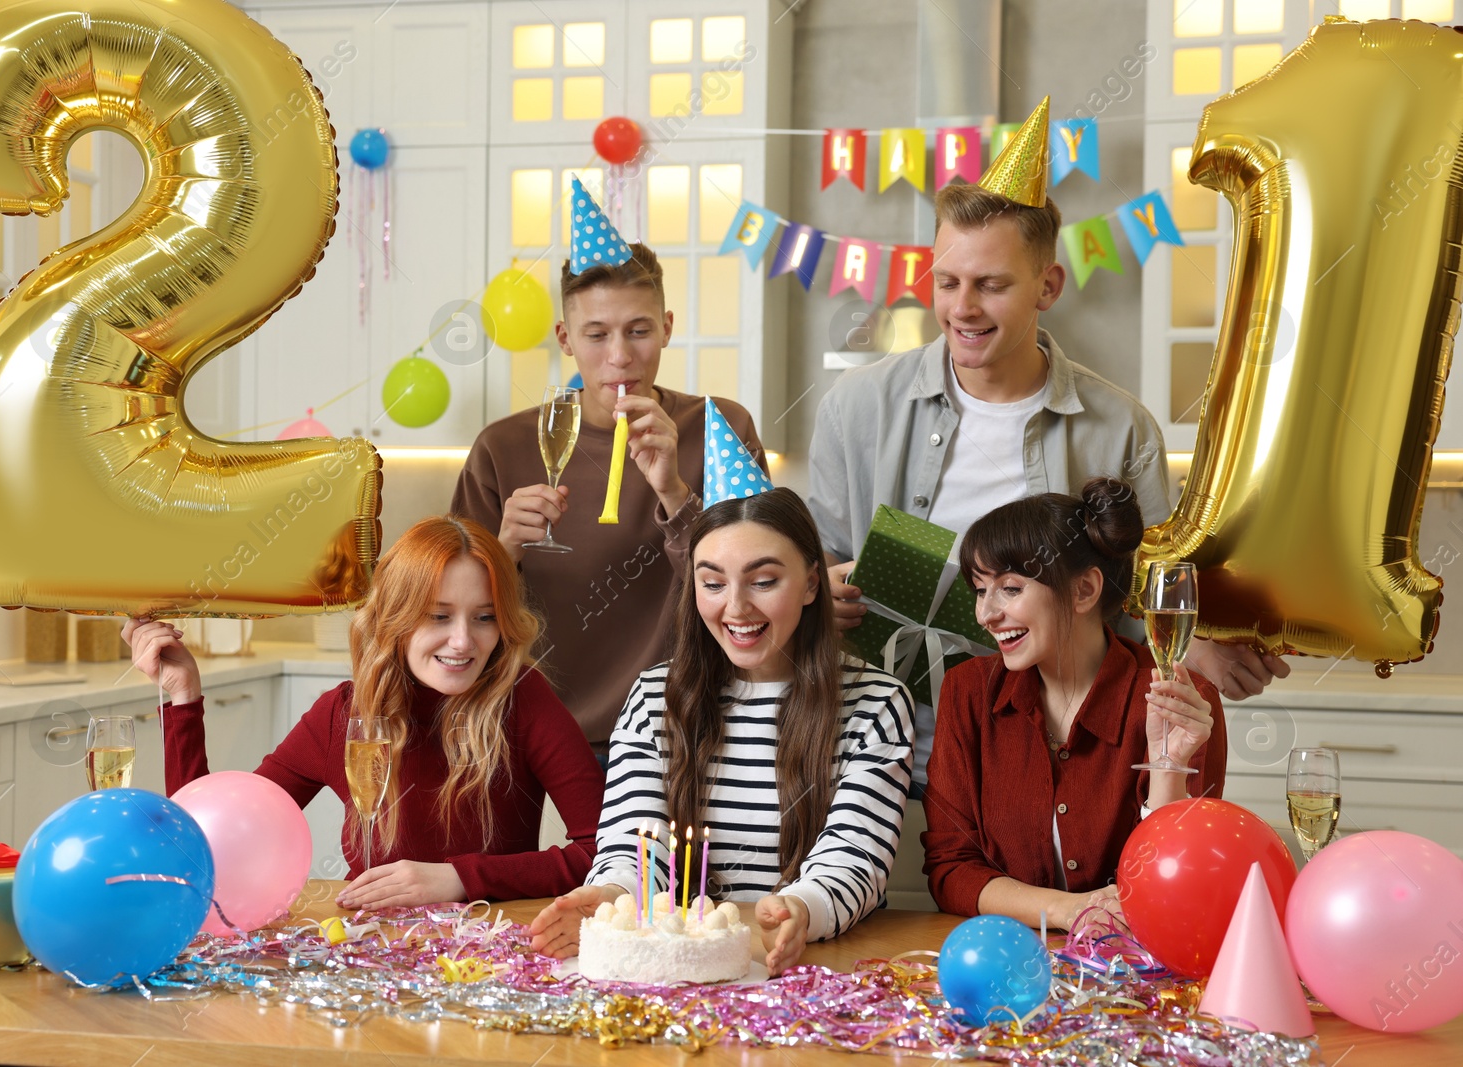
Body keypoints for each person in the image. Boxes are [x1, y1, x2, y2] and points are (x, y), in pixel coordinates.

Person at [809, 141, 1286, 790]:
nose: (963, 308)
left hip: (1051, 775)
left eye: (992, 284)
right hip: (883, 767)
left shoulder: (1122, 429)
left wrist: (1185, 639)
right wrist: (819, 594)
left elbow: (1130, 603)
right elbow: (814, 564)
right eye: (947, 282)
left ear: (1048, 285)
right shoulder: (856, 407)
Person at [122, 516, 605, 908]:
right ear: (396, 617)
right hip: (369, 951)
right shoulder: (343, 714)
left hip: (488, 955)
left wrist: (459, 878)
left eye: (485, 617)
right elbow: (211, 846)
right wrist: (182, 695)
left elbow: (607, 854)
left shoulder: (522, 698)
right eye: (438, 616)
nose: (464, 641)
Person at [527, 488, 914, 975]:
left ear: (812, 583)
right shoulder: (654, 698)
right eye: (712, 583)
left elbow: (854, 855)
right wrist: (614, 895)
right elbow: (635, 842)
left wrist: (800, 909)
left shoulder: (876, 704)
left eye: (764, 581)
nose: (736, 607)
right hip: (677, 969)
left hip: (811, 970)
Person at [453, 242, 765, 753]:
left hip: (685, 733)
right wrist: (502, 550)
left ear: (666, 326)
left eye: (638, 331)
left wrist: (674, 493)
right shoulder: (501, 447)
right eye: (596, 335)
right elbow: (450, 616)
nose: (620, 357)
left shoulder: (722, 428)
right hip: (537, 738)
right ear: (566, 338)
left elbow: (754, 592)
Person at [921, 478, 1226, 928]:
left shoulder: (1185, 701)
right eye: (980, 590)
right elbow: (951, 868)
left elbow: (1180, 879)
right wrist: (1067, 910)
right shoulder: (966, 692)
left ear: (1085, 590)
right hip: (1005, 963)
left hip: (1136, 968)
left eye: (1009, 588)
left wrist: (1168, 766)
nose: (986, 615)